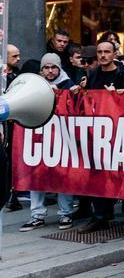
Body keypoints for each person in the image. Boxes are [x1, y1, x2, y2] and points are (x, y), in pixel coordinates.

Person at [78, 40, 124, 234]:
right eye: (100, 52)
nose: (103, 55)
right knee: (99, 175)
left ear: (115, 54)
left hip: (123, 134)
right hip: (100, 133)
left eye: (107, 52)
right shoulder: (93, 75)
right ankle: (100, 217)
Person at [19, 53, 76, 232]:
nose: (50, 71)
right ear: (41, 69)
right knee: (36, 175)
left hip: (62, 137)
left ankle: (65, 213)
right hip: (39, 138)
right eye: (46, 67)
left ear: (59, 68)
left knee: (64, 176)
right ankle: (37, 215)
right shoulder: (35, 85)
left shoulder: (69, 84)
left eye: (53, 67)